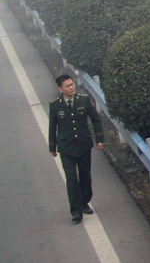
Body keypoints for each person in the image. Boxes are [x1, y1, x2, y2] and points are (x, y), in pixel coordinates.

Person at [48, 74, 104, 224]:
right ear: (60, 89)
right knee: (72, 179)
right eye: (67, 86)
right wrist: (52, 147)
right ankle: (76, 211)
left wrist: (99, 139)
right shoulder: (55, 106)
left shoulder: (84, 100)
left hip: (83, 145)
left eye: (72, 84)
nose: (71, 87)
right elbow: (52, 127)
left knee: (85, 176)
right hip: (66, 148)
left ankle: (84, 202)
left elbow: (96, 119)